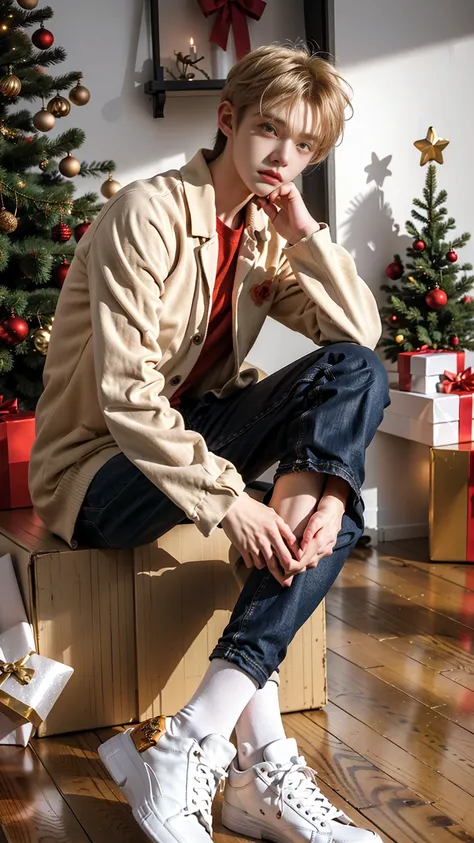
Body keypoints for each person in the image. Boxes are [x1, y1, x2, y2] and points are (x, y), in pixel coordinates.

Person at [29, 42, 389, 843]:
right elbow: (126, 397)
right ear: (228, 121)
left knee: (348, 406)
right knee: (309, 516)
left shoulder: (266, 233)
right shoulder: (147, 215)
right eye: (270, 132)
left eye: (306, 148)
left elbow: (359, 342)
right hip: (99, 470)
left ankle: (213, 744)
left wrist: (304, 231)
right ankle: (226, 756)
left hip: (189, 447)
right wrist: (231, 503)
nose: (283, 158)